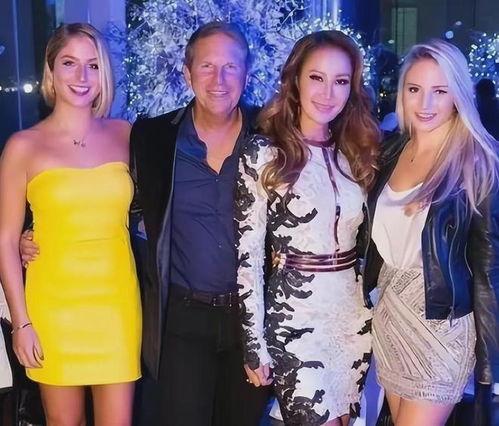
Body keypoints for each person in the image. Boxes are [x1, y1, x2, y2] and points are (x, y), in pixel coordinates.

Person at [236, 30, 381, 426]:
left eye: (341, 81)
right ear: (296, 80)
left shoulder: (358, 151)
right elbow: (247, 256)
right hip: (294, 318)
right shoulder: (264, 152)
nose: (328, 93)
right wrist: (253, 343)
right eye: (317, 77)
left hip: (352, 316)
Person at [0, 23, 141, 425]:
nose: (81, 76)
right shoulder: (23, 146)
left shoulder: (126, 134)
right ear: (51, 70)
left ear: (104, 73)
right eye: (69, 63)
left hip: (116, 306)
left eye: (93, 65)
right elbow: (5, 240)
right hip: (54, 309)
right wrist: (21, 323)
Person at [363, 39, 499, 425]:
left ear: (458, 95)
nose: (425, 103)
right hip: (390, 315)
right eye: (415, 89)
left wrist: (490, 366)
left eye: (440, 91)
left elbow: (490, 269)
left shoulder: (478, 162)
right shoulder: (391, 152)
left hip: (442, 327)